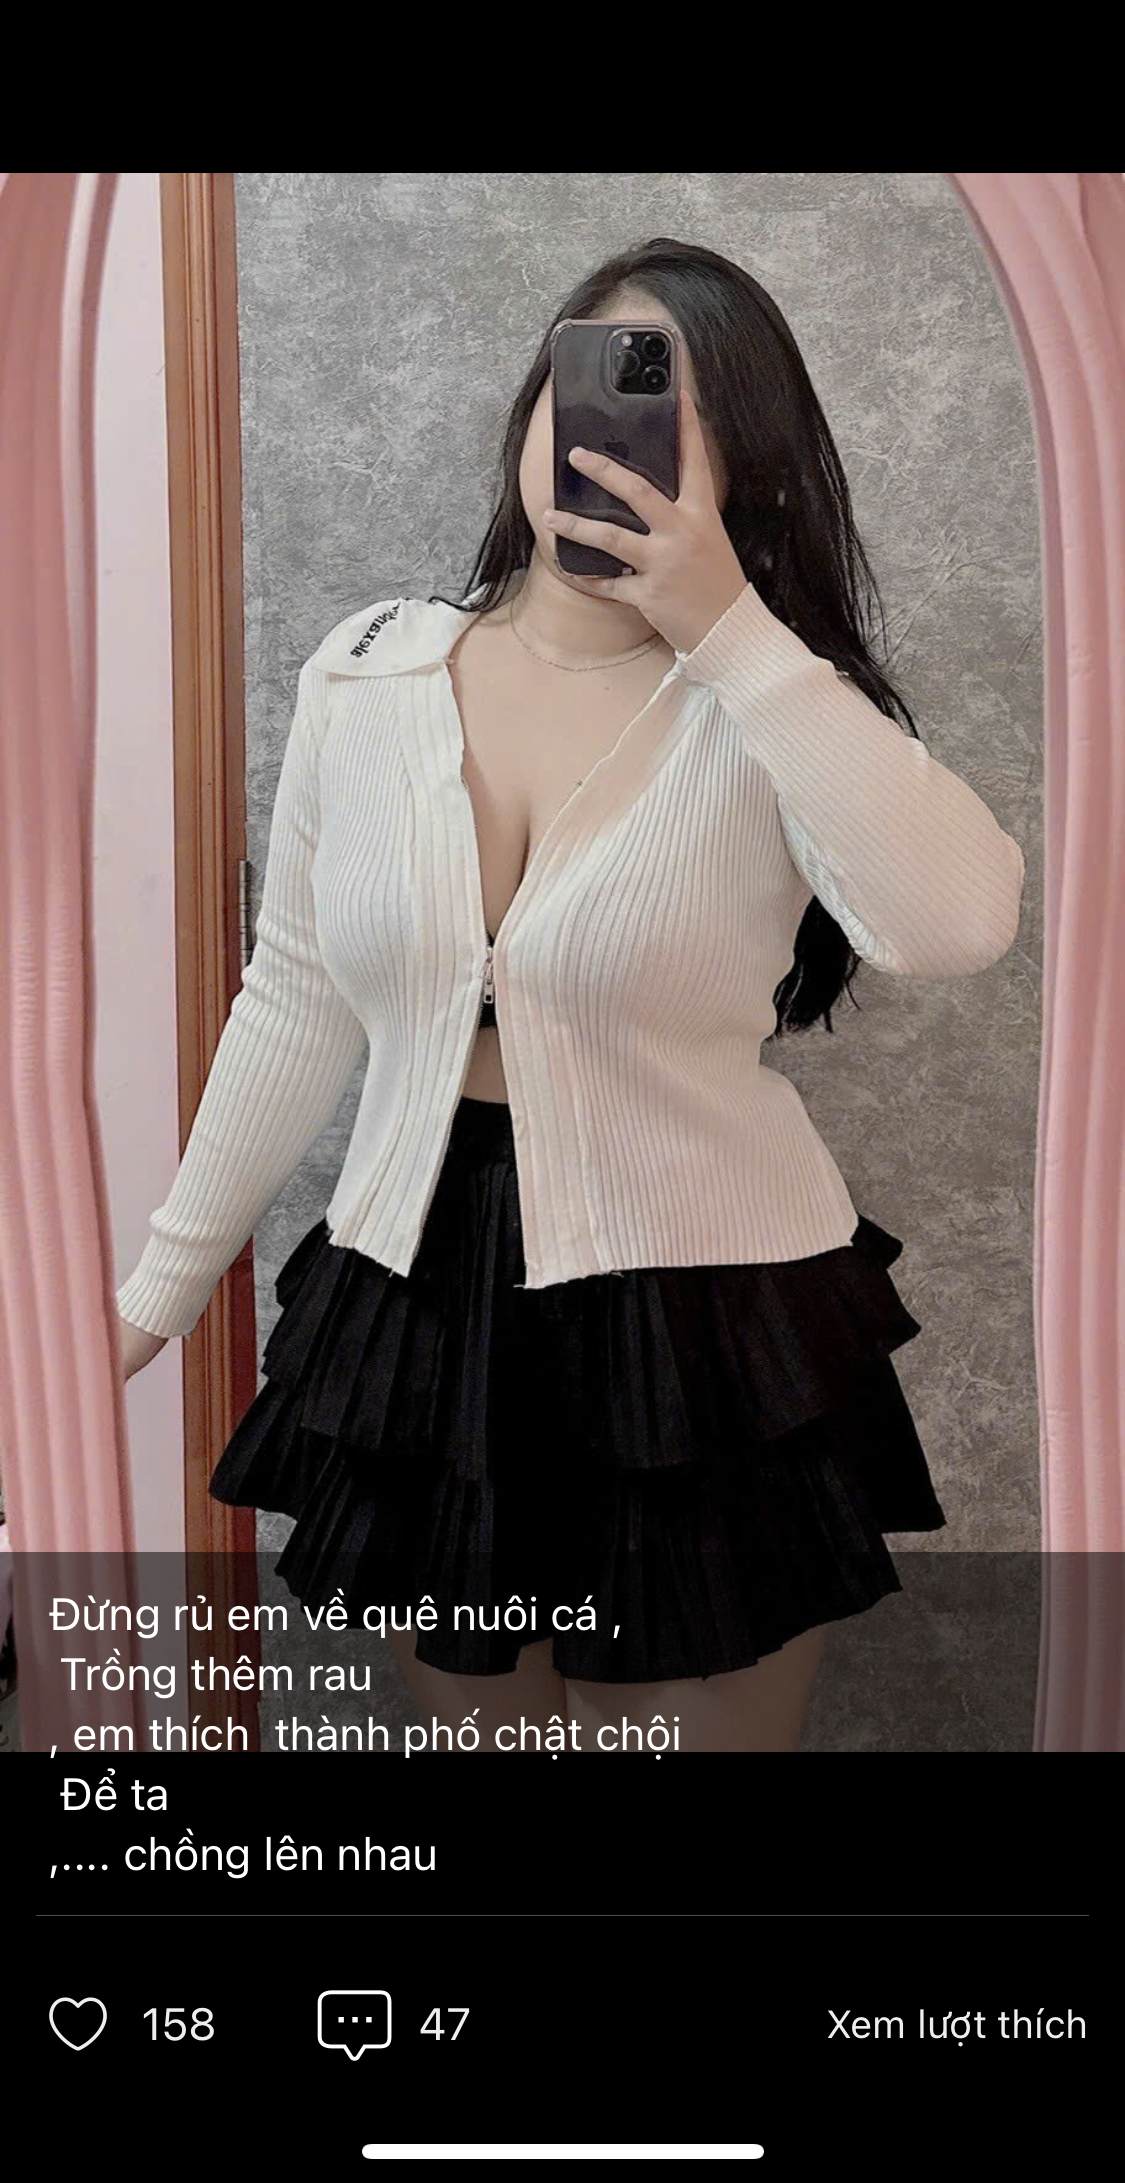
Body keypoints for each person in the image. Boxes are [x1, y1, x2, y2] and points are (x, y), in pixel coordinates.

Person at [116, 236, 1026, 1752]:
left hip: (703, 1312)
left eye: (677, 410)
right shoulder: (368, 674)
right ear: (536, 408)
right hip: (424, 1296)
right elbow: (297, 995)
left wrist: (733, 634)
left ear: (750, 468)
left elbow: (957, 924)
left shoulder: (775, 704)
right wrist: (156, 1288)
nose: (607, 438)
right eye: (590, 381)